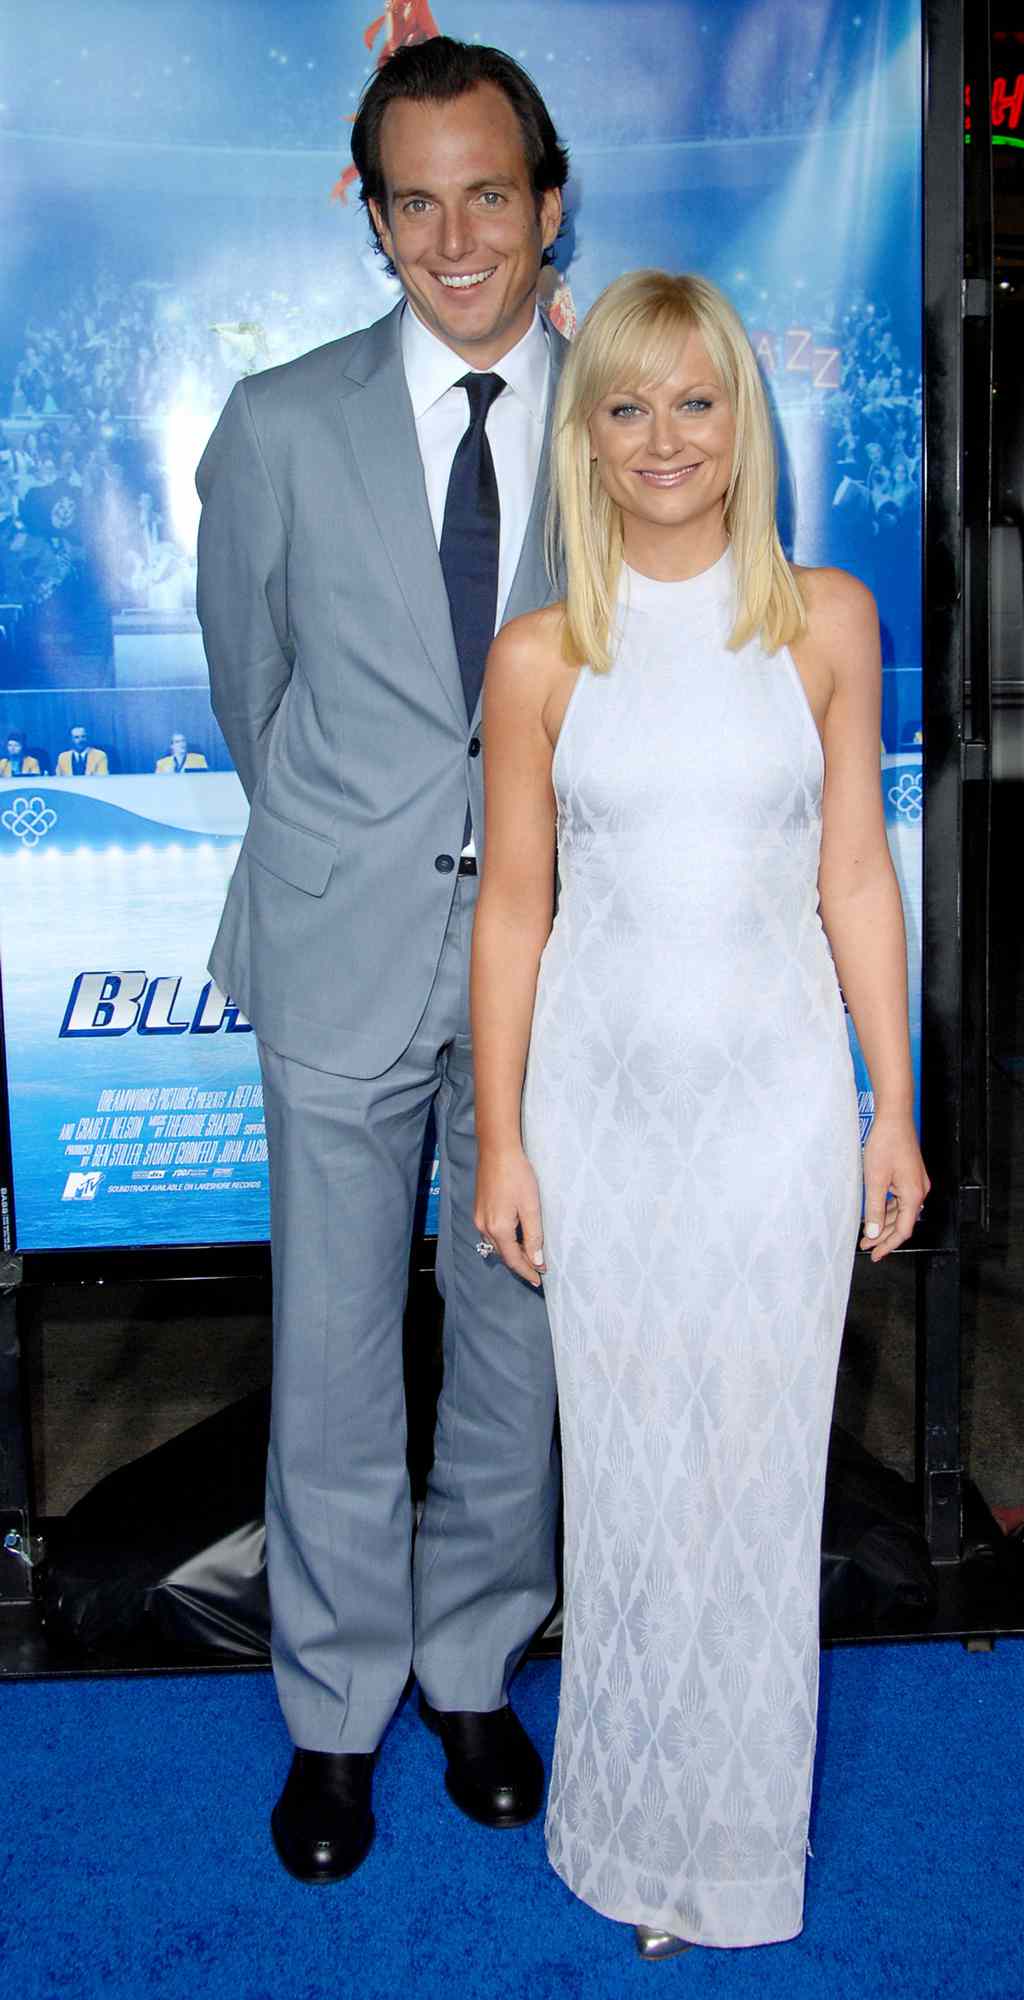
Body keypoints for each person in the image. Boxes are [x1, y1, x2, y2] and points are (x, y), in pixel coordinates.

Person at [471, 270, 928, 1957]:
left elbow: (857, 879)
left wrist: (893, 1108)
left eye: (697, 401)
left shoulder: (825, 619)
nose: (664, 438)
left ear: (744, 421)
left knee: (749, 1479)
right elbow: (512, 909)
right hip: (600, 1114)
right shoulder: (538, 656)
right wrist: (507, 1137)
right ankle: (625, 1830)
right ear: (584, 437)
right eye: (624, 405)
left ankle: (732, 1852)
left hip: (772, 1116)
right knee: (630, 1480)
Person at [195, 37, 569, 1885]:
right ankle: (336, 1715)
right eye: (413, 199)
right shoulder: (277, 423)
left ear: (546, 201)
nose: (454, 235)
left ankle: (473, 1663)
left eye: (486, 191)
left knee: (515, 1340)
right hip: (341, 942)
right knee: (335, 1355)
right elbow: (248, 688)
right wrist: (355, 847)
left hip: (561, 967)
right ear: (374, 218)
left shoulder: (630, 415)